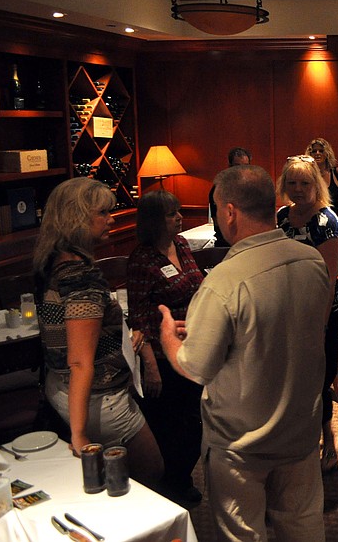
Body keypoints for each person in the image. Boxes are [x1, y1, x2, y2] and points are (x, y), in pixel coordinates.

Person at [158, 165, 330, 542]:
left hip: (242, 447)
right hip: (301, 431)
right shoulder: (312, 262)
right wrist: (212, 331)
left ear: (230, 212)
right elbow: (285, 331)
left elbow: (196, 368)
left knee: (242, 535)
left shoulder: (225, 280)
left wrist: (170, 337)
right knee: (303, 529)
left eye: (218, 209)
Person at [33, 177, 163, 487]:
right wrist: (79, 434)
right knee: (151, 472)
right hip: (98, 400)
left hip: (62, 387)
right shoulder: (81, 278)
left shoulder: (53, 262)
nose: (112, 218)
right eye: (103, 213)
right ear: (76, 218)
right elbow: (80, 361)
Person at [127, 190, 204, 503]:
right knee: (172, 427)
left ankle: (181, 477)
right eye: (172, 214)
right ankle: (171, 485)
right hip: (162, 356)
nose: (179, 218)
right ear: (154, 221)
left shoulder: (182, 244)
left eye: (178, 211)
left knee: (195, 421)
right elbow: (138, 318)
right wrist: (151, 366)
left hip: (193, 348)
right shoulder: (141, 261)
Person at [276, 155, 338, 474]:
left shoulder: (326, 221)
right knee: (288, 379)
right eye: (292, 183)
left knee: (318, 380)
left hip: (319, 314)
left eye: (305, 183)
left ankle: (328, 439)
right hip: (286, 313)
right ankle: (295, 440)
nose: (298, 189)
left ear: (316, 184)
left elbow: (329, 280)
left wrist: (319, 324)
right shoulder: (280, 217)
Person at [209, 147, 251, 247]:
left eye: (245, 166)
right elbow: (218, 222)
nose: (241, 170)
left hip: (249, 241)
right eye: (237, 166)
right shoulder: (219, 188)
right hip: (226, 243)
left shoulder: (252, 187)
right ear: (230, 166)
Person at [306, 137, 338, 213]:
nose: (317, 153)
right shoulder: (307, 175)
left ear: (327, 153)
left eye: (321, 151)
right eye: (314, 151)